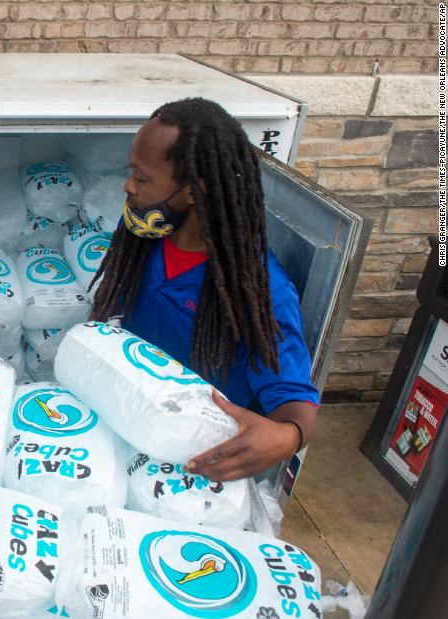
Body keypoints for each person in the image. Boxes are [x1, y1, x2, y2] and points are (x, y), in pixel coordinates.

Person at [89, 97, 319, 483]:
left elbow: (295, 404)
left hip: (188, 466)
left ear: (197, 189)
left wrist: (286, 436)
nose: (129, 186)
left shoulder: (260, 291)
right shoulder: (145, 240)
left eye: (142, 178)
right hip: (125, 426)